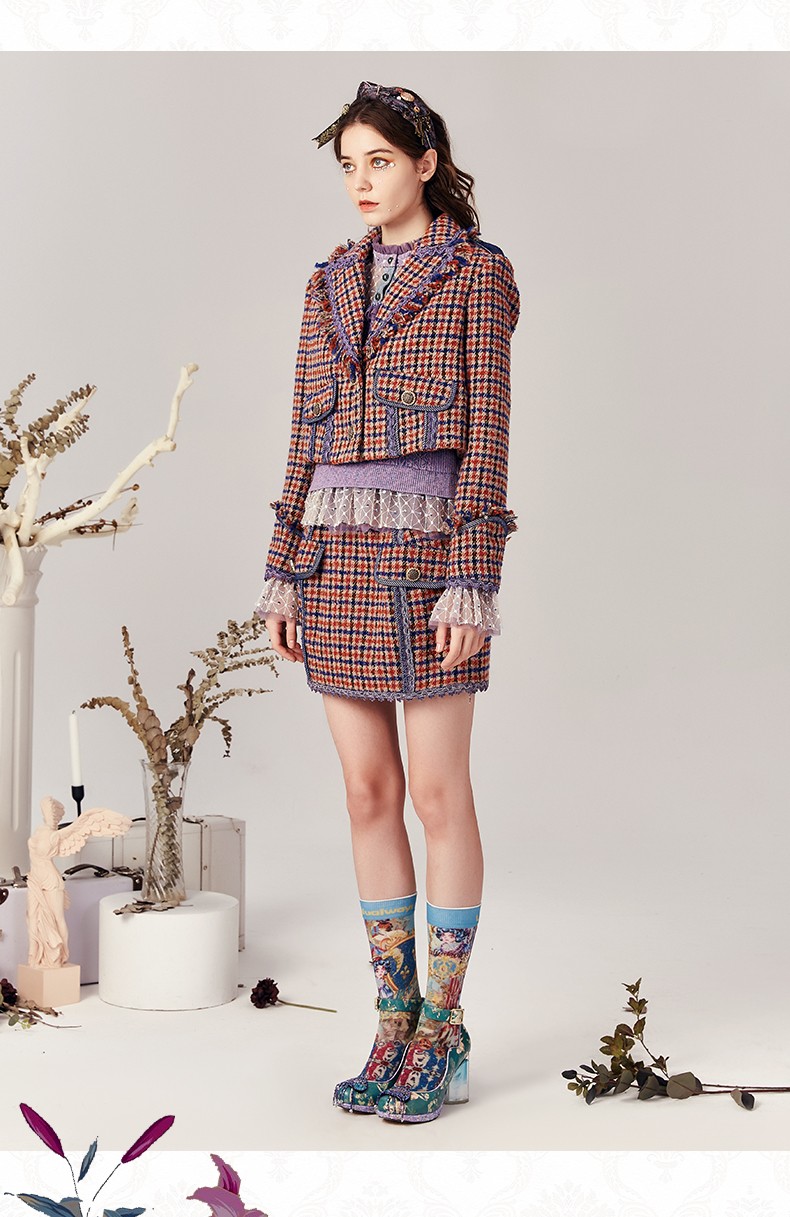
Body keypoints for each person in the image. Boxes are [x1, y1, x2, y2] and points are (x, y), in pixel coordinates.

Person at [256, 81, 520, 1124]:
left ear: (425, 162)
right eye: (348, 166)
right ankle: (392, 1021)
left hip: (427, 559)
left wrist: (473, 576)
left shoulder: (476, 274)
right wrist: (284, 565)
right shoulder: (327, 282)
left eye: (379, 161)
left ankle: (443, 1031)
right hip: (334, 560)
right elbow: (301, 434)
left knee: (438, 794)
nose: (362, 182)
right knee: (367, 792)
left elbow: (488, 432)